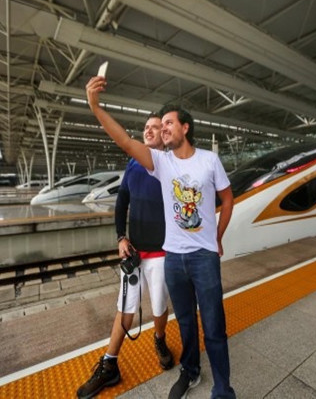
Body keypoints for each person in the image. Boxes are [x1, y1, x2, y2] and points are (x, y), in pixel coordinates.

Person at [86, 75, 236, 399]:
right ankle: (191, 371)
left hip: (204, 258)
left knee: (214, 328)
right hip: (174, 259)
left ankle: (223, 389)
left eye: (168, 123)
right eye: (161, 124)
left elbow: (227, 199)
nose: (162, 128)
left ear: (185, 128)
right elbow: (125, 141)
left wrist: (218, 237)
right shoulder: (161, 162)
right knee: (185, 324)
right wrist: (95, 107)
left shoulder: (210, 161)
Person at [76, 113, 174, 399]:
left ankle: (159, 340)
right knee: (125, 309)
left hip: (160, 252)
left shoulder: (167, 165)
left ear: (164, 135)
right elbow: (121, 203)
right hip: (134, 253)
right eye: (146, 127)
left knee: (158, 306)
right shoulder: (132, 165)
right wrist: (121, 237)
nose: (149, 131)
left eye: (155, 127)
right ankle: (110, 364)